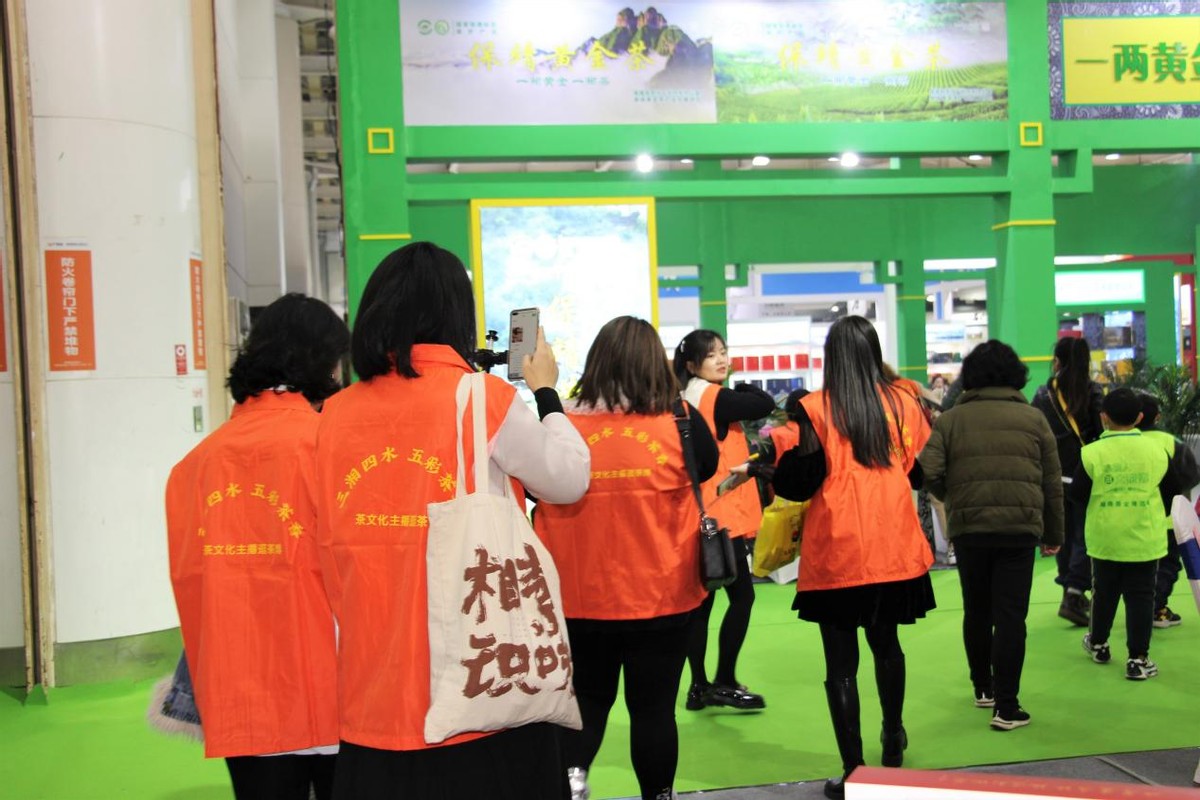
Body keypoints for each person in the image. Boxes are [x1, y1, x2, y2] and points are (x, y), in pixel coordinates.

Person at [312, 242, 591, 800]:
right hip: (480, 690)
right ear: (456, 315)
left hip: (372, 694)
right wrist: (545, 391)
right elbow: (567, 479)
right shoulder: (480, 397)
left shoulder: (335, 413)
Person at [165, 293, 349, 799]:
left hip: (237, 693)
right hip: (329, 688)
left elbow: (190, 581)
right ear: (323, 362)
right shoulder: (328, 445)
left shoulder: (194, 466)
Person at [534, 316, 719, 800]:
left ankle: (572, 787)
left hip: (579, 600)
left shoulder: (561, 426)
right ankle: (658, 795)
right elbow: (707, 468)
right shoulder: (681, 422)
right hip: (664, 597)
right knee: (654, 711)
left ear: (596, 361)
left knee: (586, 705)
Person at [772, 316, 934, 800]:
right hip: (894, 544)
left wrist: (781, 463)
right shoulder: (904, 402)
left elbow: (799, 481)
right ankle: (894, 735)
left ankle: (854, 770)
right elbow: (918, 471)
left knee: (840, 664)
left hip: (839, 549)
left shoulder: (814, 408)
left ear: (831, 356)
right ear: (873, 351)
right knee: (888, 645)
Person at [917, 340, 1064, 731]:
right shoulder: (1034, 419)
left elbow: (926, 472)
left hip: (970, 529)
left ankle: (982, 687)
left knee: (977, 611)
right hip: (1019, 529)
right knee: (1011, 617)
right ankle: (1007, 706)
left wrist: (955, 496)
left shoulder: (950, 420)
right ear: (1016, 374)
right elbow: (1051, 482)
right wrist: (1054, 532)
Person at [674, 329, 776, 711]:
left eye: (723, 351)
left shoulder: (685, 396)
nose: (721, 359)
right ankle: (724, 680)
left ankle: (699, 686)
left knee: (701, 606)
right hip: (722, 517)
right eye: (711, 354)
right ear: (691, 364)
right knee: (742, 597)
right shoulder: (713, 396)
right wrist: (745, 384)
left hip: (699, 515)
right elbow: (763, 403)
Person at [1071, 387, 1179, 681]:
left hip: (1105, 538)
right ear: (1140, 417)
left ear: (1103, 417)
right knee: (1142, 597)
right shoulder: (1157, 451)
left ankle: (1098, 644)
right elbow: (1172, 491)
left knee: (1104, 592)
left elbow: (1077, 495)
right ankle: (1138, 659)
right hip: (1145, 538)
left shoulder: (1091, 453)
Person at [1032, 337, 1105, 626]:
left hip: (1053, 475)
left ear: (1057, 361)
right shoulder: (1093, 391)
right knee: (1085, 535)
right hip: (1086, 473)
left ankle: (1069, 590)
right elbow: (1101, 432)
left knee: (1062, 534)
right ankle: (1075, 591)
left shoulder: (1043, 394)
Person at [1135, 392, 1200, 628]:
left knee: (1136, 567)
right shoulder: (1172, 442)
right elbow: (1190, 477)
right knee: (1168, 564)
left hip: (1130, 518)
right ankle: (1157, 608)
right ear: (1158, 417)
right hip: (1167, 519)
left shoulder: (1123, 443)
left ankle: (1139, 609)